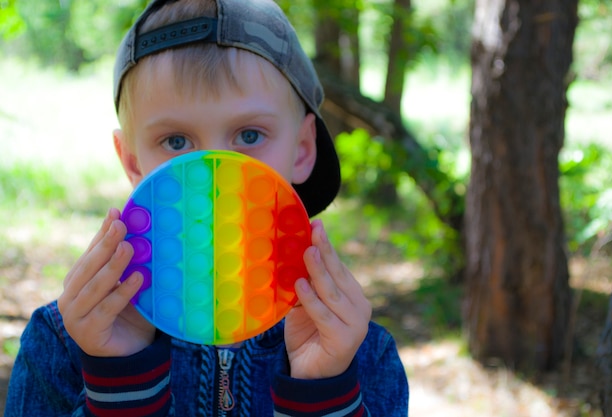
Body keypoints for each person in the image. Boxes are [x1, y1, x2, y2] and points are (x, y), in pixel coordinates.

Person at [5, 0, 409, 415]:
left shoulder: (358, 354)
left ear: (303, 149)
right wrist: (119, 378)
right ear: (132, 162)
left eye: (249, 135)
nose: (213, 176)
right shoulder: (64, 341)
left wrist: (323, 392)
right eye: (177, 142)